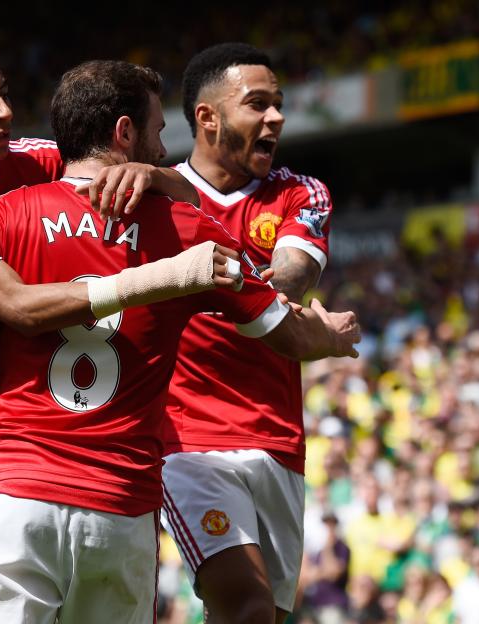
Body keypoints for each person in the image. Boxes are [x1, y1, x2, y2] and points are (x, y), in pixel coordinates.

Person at [0, 59, 360, 623]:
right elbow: (286, 331)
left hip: (19, 494)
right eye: (158, 133)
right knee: (250, 608)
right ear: (126, 133)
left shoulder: (3, 217)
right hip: (126, 499)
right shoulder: (187, 233)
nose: (163, 151)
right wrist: (329, 336)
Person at [0, 32, 238, 624]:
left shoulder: (36, 160)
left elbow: (186, 193)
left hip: (18, 460)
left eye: (3, 94)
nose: (4, 112)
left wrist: (152, 174)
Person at [160, 42, 336, 623]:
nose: (276, 117)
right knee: (249, 608)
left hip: (278, 441)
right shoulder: (156, 199)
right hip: (191, 442)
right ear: (207, 117)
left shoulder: (301, 193)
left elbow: (291, 277)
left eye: (278, 104)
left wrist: (209, 278)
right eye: (258, 104)